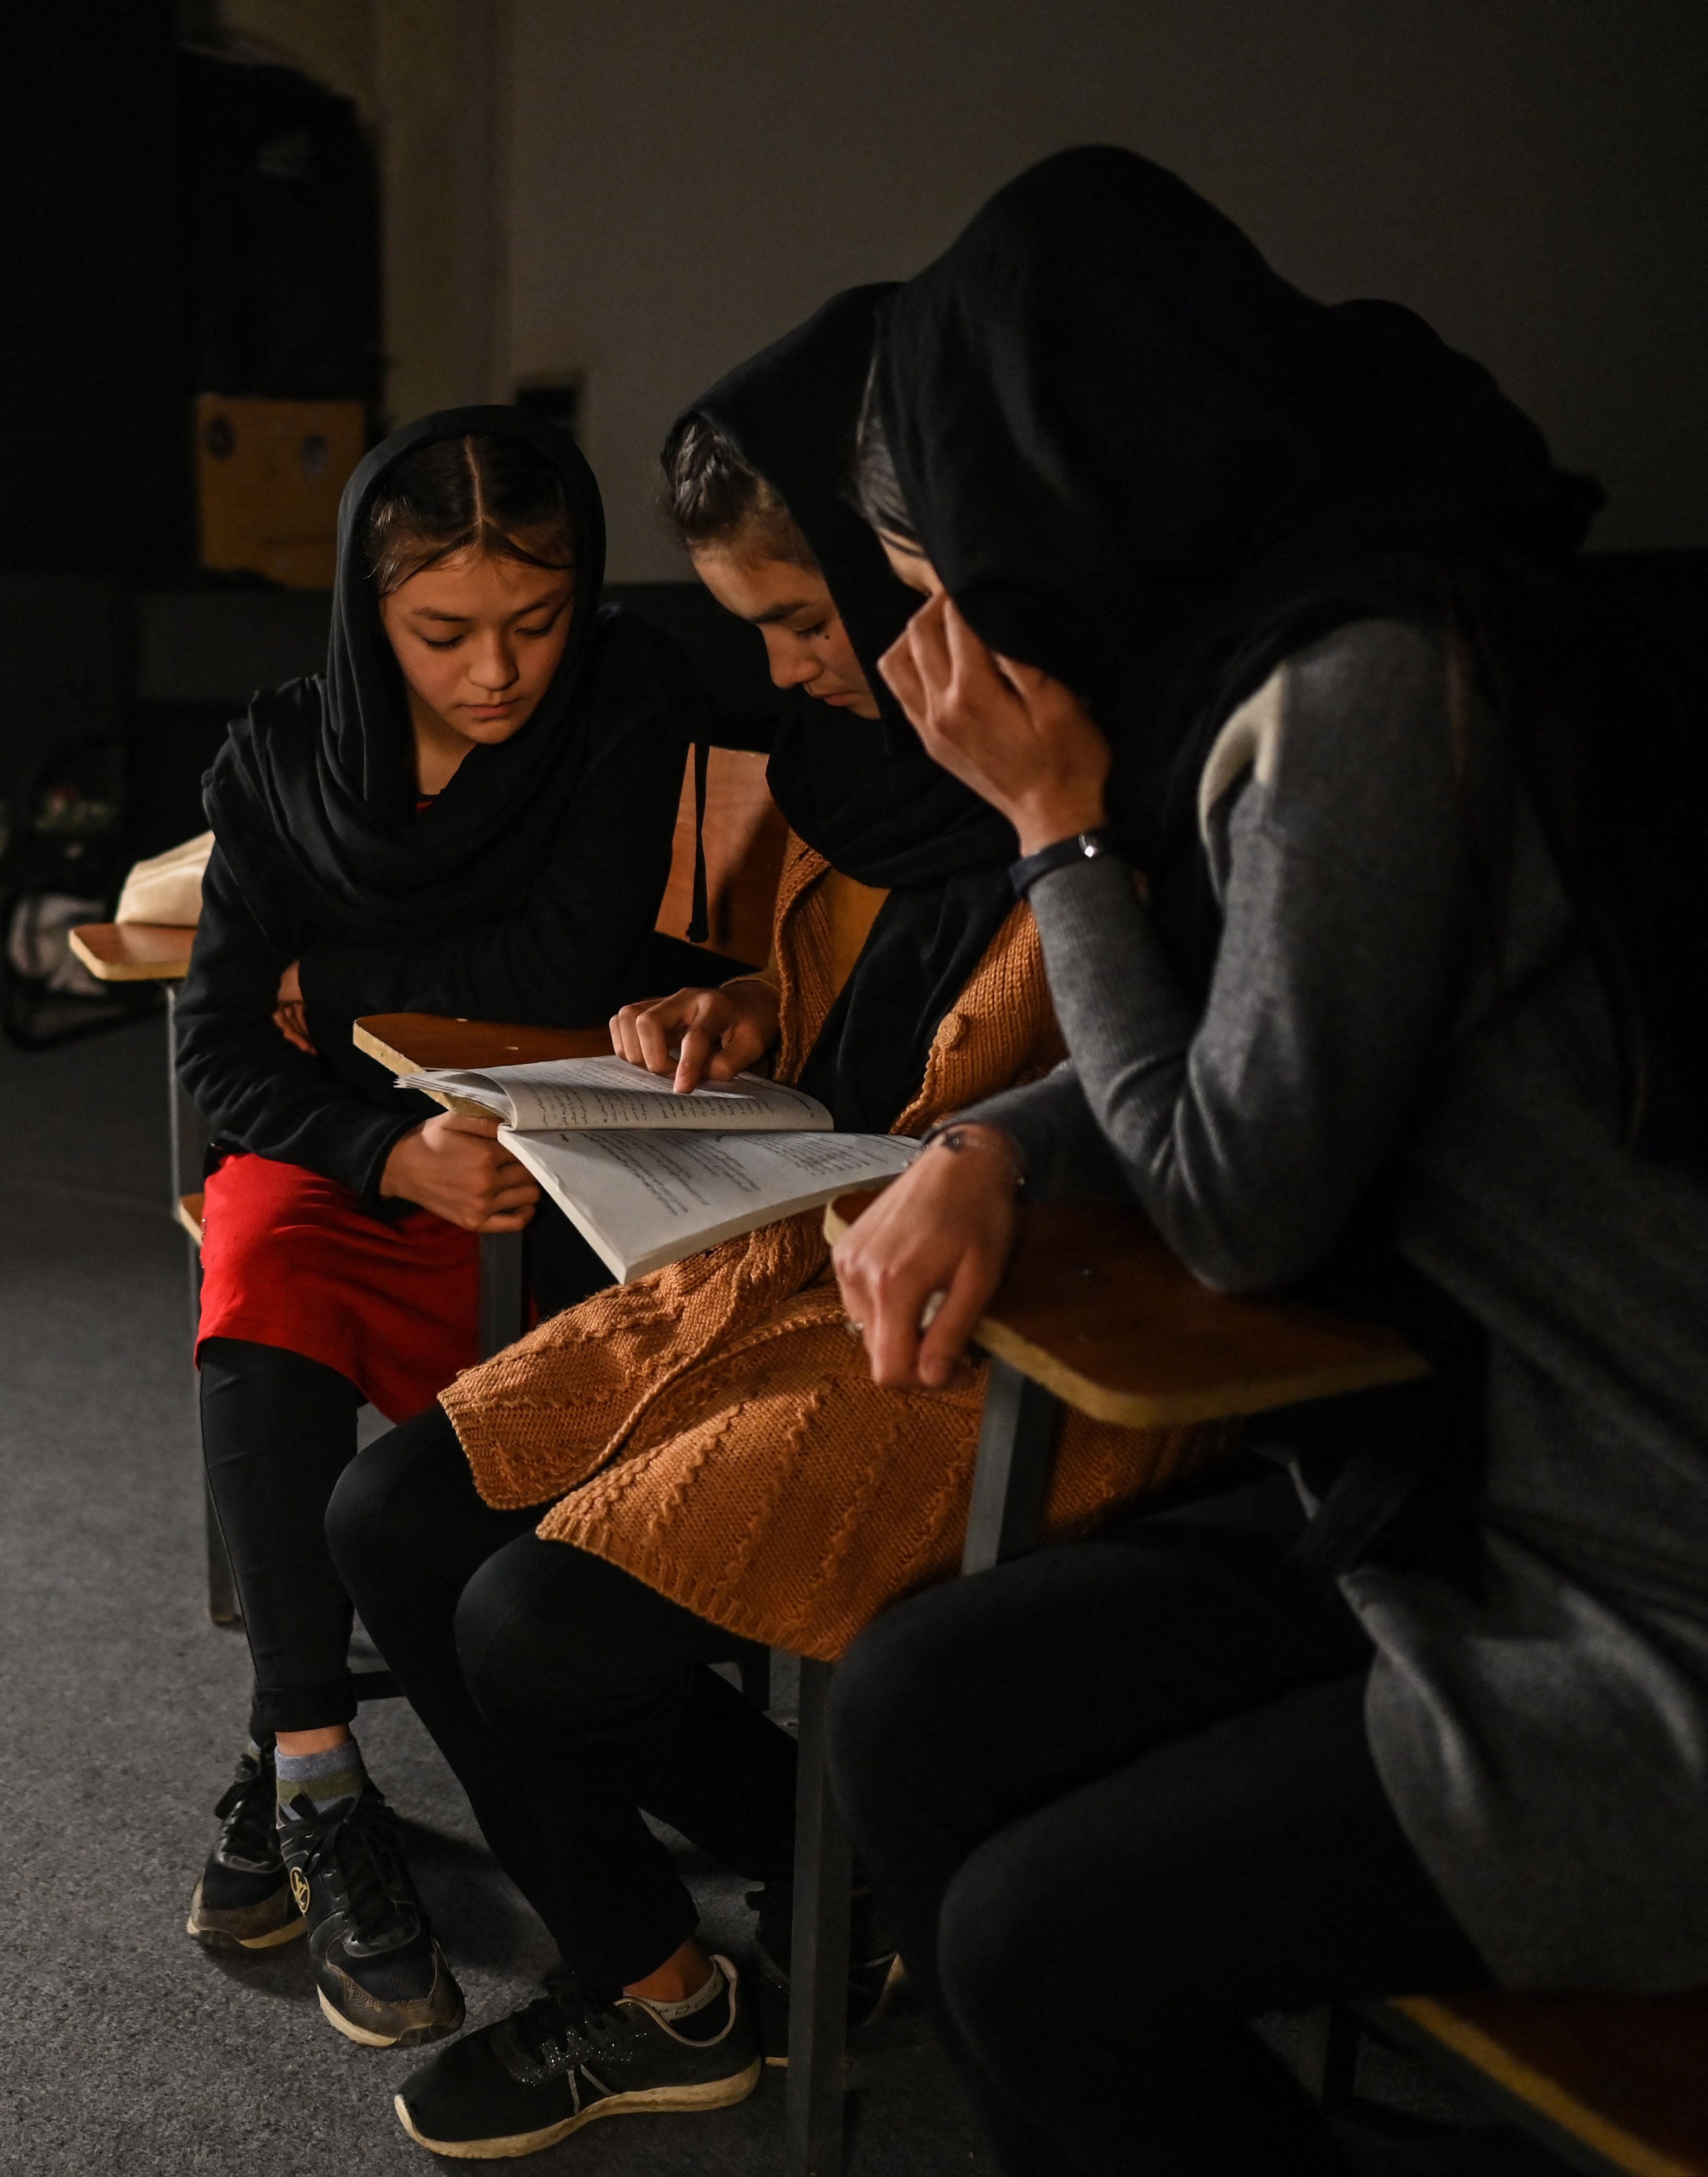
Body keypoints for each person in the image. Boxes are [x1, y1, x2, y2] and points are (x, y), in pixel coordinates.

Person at [817, 146, 1708, 2176]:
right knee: (909, 1703)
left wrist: (1055, 837)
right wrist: (993, 1143)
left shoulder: (1368, 691)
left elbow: (1233, 1198)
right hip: (1470, 1490)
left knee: (1037, 1954)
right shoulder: (1341, 618)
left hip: (1638, 1589)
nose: (935, 659)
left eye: (941, 590)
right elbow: (1274, 1054)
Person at [318, 288, 1219, 2160]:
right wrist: (741, 1015)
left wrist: (995, 1087)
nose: (796, 671)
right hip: (794, 1252)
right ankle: (670, 1989)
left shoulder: (1114, 762)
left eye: (813, 619)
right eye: (764, 631)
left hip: (1010, 1331)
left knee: (535, 1629)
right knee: (385, 1516)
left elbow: (1177, 1121)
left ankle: (849, 1873)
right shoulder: (863, 767)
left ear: (923, 568)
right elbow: (870, 1013)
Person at [176, 407, 716, 2050]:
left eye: (535, 622)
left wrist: (332, 984)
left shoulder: (620, 700)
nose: (497, 673)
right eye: (443, 633)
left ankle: (348, 1748)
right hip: (360, 1159)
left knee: (484, 1428)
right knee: (259, 1248)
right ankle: (312, 1764)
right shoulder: (281, 755)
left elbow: (562, 976)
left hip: (551, 1159)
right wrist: (382, 1149)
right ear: (367, 612)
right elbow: (218, 1053)